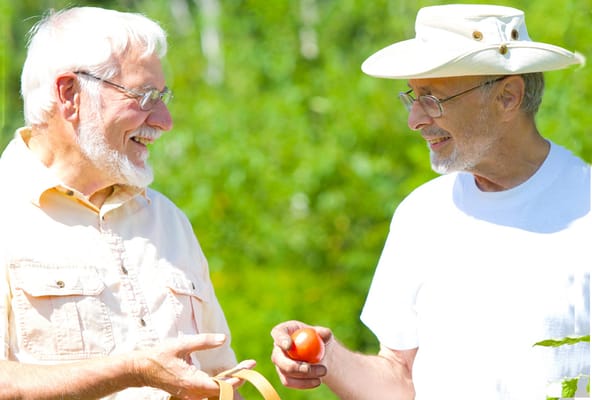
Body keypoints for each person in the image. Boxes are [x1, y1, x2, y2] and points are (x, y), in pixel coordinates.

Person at [271, 4, 590, 399]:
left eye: (433, 99)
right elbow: (401, 378)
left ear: (508, 97)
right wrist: (323, 356)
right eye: (413, 98)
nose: (415, 120)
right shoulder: (421, 215)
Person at [0, 6, 255, 399]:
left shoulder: (168, 220)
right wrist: (133, 370)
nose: (165, 120)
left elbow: (219, 378)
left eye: (164, 97)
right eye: (146, 96)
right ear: (70, 94)